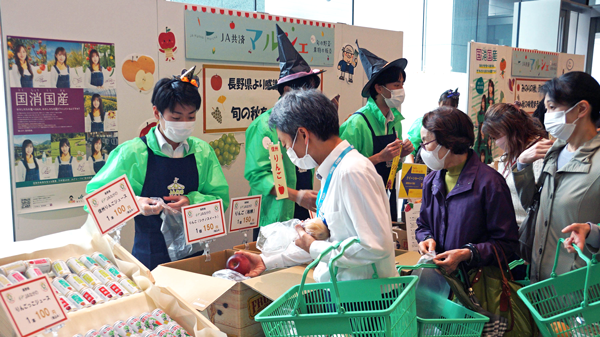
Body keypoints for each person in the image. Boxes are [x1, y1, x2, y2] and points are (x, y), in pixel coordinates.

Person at [236, 89, 398, 283]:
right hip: (344, 297)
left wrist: (313, 247)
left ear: (303, 135)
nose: (288, 150)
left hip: (364, 301)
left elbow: (376, 245)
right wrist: (266, 260)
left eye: (286, 143)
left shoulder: (352, 172)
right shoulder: (332, 172)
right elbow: (328, 240)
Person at [86, 67, 229, 270]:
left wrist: (192, 201)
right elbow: (95, 201)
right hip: (149, 256)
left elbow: (220, 200)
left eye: (191, 117)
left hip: (194, 255)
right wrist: (135, 203)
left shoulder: (202, 152)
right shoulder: (133, 153)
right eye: (177, 118)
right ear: (157, 113)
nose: (184, 124)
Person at [513, 71, 600, 282]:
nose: (546, 116)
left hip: (579, 287)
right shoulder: (554, 151)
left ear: (581, 109)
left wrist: (592, 231)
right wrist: (522, 165)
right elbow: (533, 205)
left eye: (552, 108)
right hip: (540, 278)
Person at [415, 106, 518, 274]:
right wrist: (426, 239)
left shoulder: (490, 183)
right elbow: (423, 224)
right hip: (440, 283)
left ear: (448, 141)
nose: (423, 150)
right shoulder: (431, 181)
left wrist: (468, 253)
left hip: (477, 286)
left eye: (426, 143)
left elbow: (507, 244)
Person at [244, 24, 321, 241]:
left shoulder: (309, 122)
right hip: (274, 215)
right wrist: (297, 196)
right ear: (287, 91)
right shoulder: (263, 126)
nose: (312, 97)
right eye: (307, 90)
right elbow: (258, 177)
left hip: (307, 209)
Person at [339, 42, 414, 222]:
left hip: (386, 196)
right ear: (379, 88)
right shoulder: (356, 123)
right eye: (396, 85)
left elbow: (393, 165)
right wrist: (380, 157)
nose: (401, 90)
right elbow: (340, 170)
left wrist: (401, 155)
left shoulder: (396, 121)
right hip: (359, 203)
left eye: (402, 84)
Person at [481, 102, 547, 226]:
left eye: (496, 137)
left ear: (513, 130)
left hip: (528, 231)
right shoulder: (510, 153)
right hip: (508, 229)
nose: (496, 143)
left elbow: (535, 201)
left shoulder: (541, 153)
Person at [406, 88, 459, 164]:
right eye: (444, 106)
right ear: (439, 104)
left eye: (451, 107)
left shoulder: (457, 126)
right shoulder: (425, 122)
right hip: (422, 168)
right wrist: (411, 169)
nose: (446, 110)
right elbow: (410, 149)